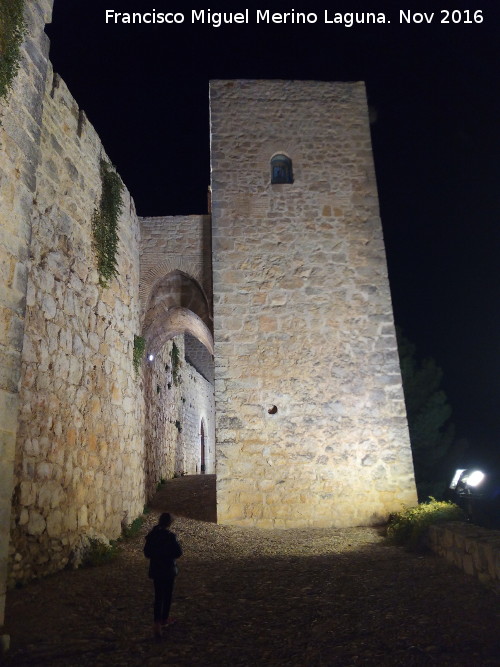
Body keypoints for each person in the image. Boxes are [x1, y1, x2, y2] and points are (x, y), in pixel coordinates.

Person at [144, 512, 182, 639]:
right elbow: (178, 552)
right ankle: (164, 618)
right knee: (167, 595)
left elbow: (147, 553)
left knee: (158, 596)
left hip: (156, 569)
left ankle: (156, 623)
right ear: (169, 523)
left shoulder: (151, 535)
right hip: (168, 569)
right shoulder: (170, 536)